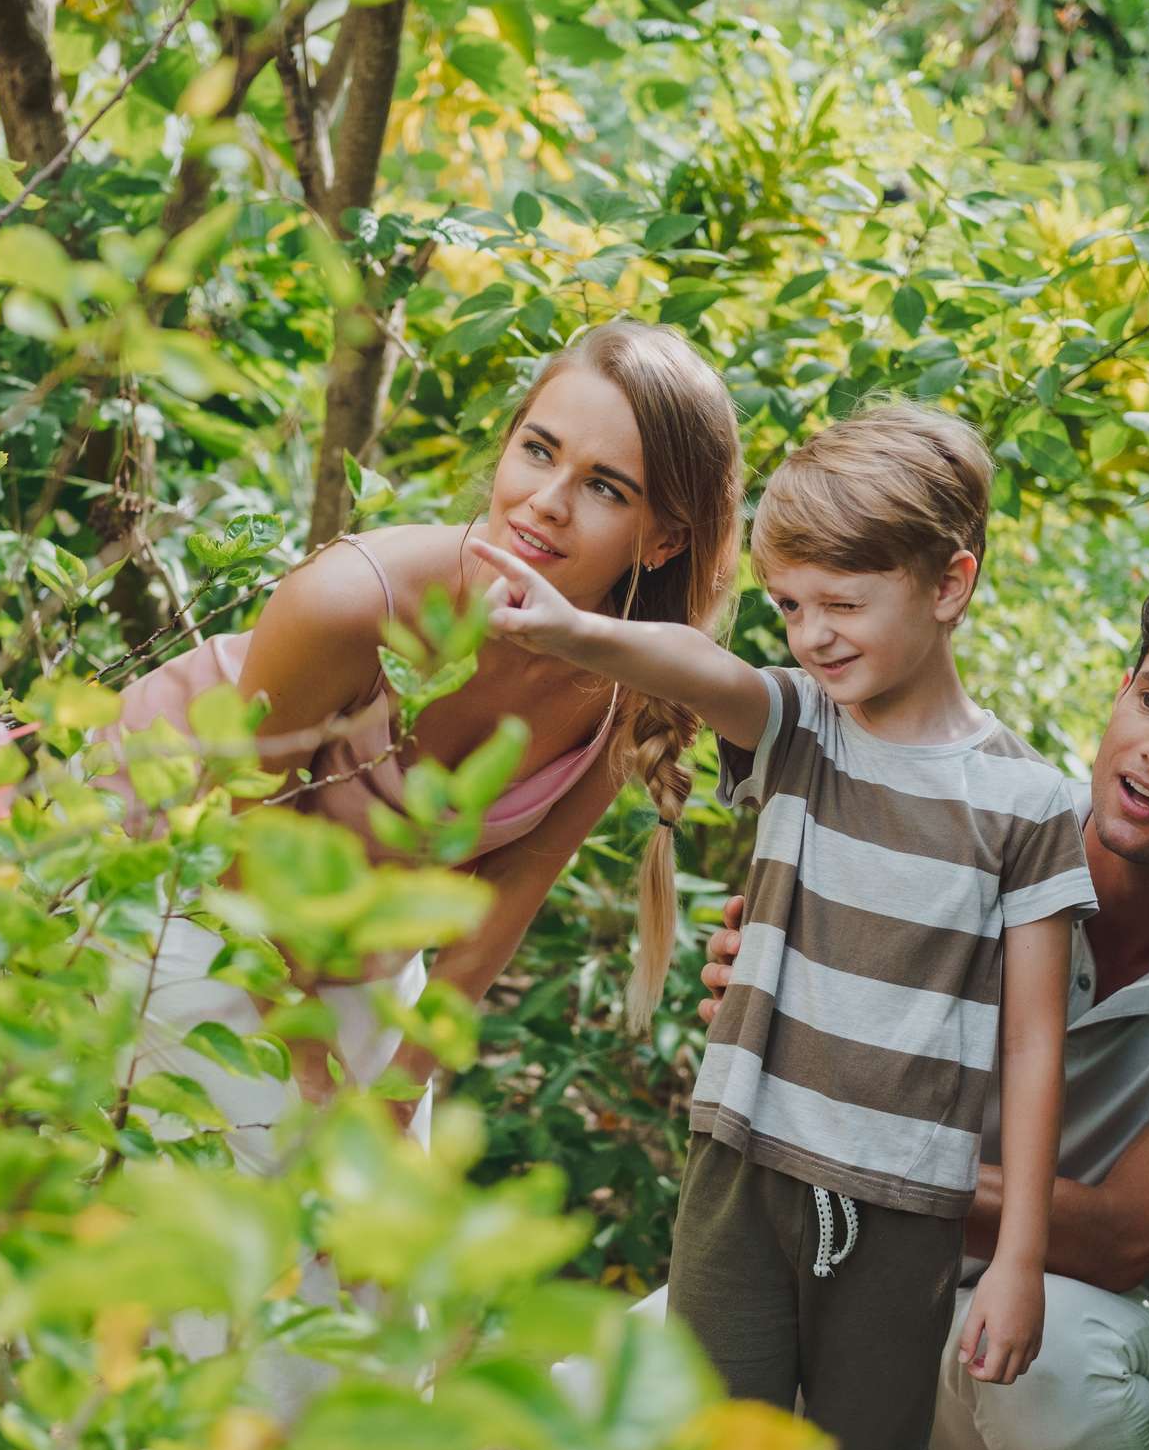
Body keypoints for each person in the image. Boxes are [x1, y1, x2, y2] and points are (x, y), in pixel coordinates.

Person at [476, 400, 1096, 1450]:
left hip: (903, 1210)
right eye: (788, 605)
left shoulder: (1027, 803)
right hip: (740, 1171)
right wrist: (572, 630)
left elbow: (1034, 1045)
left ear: (948, 585)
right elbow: (691, 664)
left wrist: (1018, 1258)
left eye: (842, 605)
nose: (811, 635)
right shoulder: (798, 727)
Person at [693, 575, 1149, 1450]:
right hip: (861, 1253)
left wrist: (819, 1113)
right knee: (627, 1388)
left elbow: (1124, 1236)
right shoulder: (973, 821)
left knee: (1058, 1382)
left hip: (1098, 1317)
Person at [99, 317, 744, 1169]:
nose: (547, 501)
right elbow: (233, 844)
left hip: (360, 954)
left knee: (377, 1252)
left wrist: (395, 1100)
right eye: (538, 451)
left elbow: (505, 903)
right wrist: (312, 1072)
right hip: (178, 890)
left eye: (606, 488)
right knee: (273, 1194)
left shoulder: (627, 686)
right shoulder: (351, 602)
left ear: (663, 540)